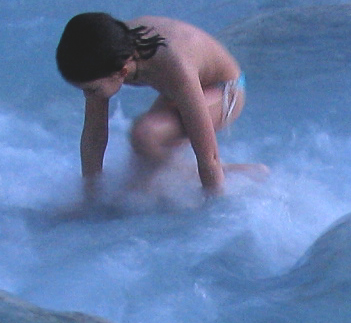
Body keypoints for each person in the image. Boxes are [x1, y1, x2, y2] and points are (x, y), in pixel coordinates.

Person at [55, 12, 248, 204]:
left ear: (122, 72)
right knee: (139, 177)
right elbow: (94, 135)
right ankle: (244, 174)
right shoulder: (104, 51)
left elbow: (208, 155)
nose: (89, 96)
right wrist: (90, 198)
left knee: (146, 134)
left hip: (226, 91)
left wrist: (216, 210)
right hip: (184, 90)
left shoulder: (173, 64)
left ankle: (237, 177)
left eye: (91, 90)